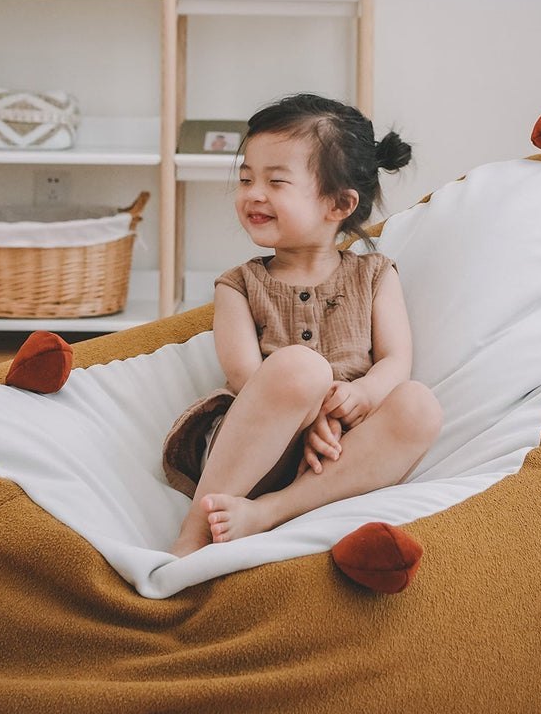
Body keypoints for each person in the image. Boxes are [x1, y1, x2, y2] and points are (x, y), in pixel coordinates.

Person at [165, 93, 442, 557]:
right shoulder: (240, 284)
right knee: (301, 369)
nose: (253, 193)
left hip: (341, 454)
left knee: (420, 406)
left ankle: (271, 513)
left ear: (338, 204)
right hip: (252, 450)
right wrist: (310, 413)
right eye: (247, 178)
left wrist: (362, 397)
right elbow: (244, 375)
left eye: (276, 181)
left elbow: (396, 359)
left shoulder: (375, 275)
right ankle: (193, 533)